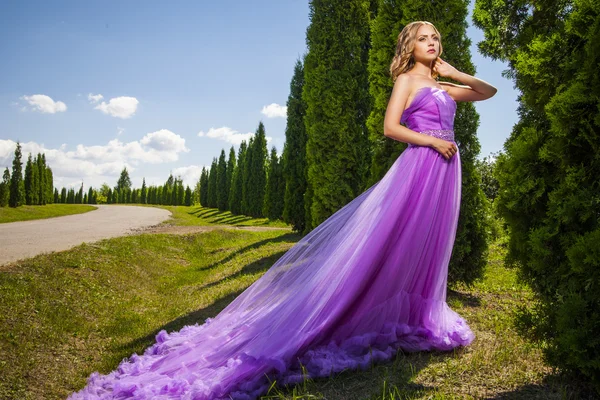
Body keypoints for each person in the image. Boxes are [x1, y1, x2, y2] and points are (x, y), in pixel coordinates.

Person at [69, 21, 497, 400]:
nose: (432, 43)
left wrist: (455, 73)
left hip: (446, 172)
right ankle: (357, 310)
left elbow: (487, 91)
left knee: (430, 244)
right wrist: (431, 141)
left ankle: (415, 313)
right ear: (409, 46)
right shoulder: (406, 81)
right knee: (396, 241)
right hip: (420, 167)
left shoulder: (443, 86)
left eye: (436, 38)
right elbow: (391, 127)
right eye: (423, 38)